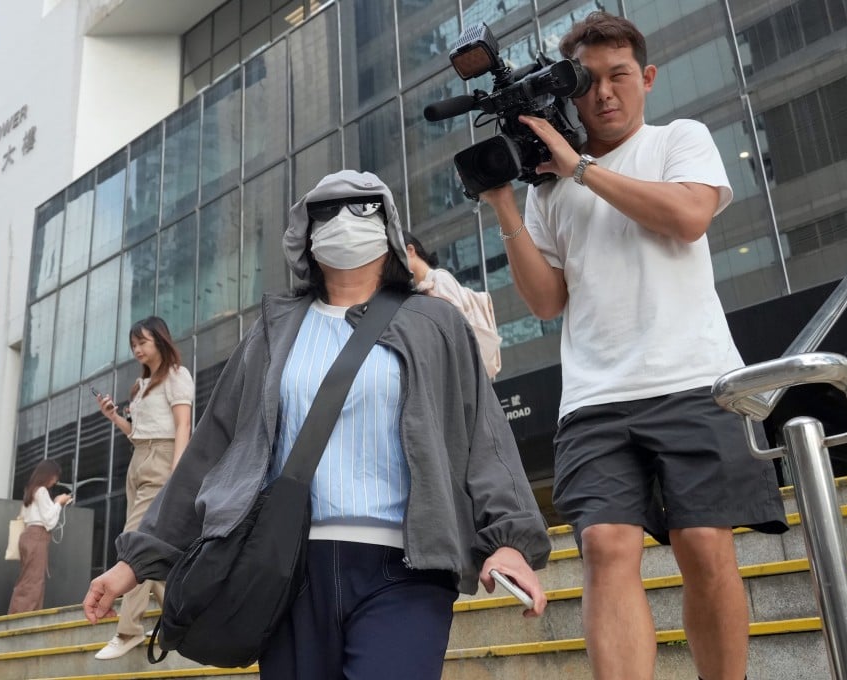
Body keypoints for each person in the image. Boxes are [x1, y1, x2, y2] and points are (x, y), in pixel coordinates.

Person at [83, 169, 551, 679]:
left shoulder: (434, 323)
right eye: (327, 211)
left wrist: (510, 539)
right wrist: (135, 561)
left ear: (390, 227)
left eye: (364, 208)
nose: (346, 221)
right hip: (284, 569)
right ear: (304, 234)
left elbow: (484, 438)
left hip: (408, 571)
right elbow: (212, 451)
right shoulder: (273, 331)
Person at [478, 12, 788, 680]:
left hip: (697, 380)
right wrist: (505, 204)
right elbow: (545, 302)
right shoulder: (550, 189)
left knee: (704, 546)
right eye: (587, 83)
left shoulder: (680, 139)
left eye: (619, 76)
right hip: (594, 396)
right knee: (604, 546)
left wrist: (581, 168)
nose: (604, 93)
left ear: (645, 77)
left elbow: (688, 218)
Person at [92, 316, 194, 660]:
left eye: (143, 342)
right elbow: (137, 433)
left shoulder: (177, 375)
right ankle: (182, 619)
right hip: (139, 459)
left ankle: (128, 630)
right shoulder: (141, 386)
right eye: (133, 344)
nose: (137, 349)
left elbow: (183, 426)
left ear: (160, 341)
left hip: (163, 458)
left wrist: (178, 472)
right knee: (152, 547)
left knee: (135, 542)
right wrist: (114, 417)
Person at [403, 232, 503, 379]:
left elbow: (456, 327)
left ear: (410, 251)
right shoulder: (419, 290)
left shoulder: (439, 279)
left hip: (461, 368)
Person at [8, 459, 72, 614]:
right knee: (33, 580)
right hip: (37, 536)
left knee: (28, 578)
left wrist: (56, 503)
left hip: (28, 536)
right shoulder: (41, 491)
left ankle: (24, 615)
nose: (55, 481)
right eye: (55, 476)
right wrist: (59, 503)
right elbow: (49, 521)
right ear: (48, 475)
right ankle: (23, 617)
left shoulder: (31, 491)